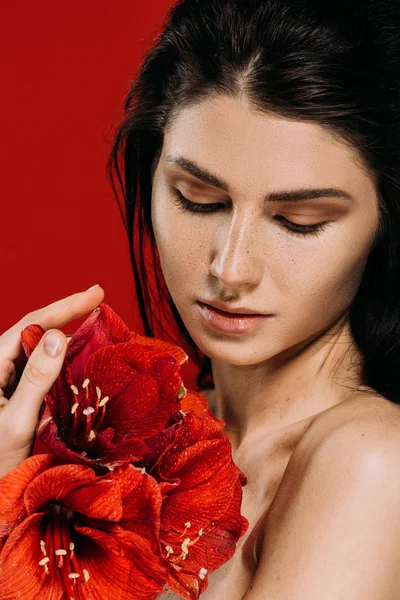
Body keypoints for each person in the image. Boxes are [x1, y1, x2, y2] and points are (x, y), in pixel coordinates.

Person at [1, 0, 400, 597]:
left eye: (298, 221)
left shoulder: (374, 460)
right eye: (198, 200)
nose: (230, 269)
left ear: (384, 225)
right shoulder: (132, 445)